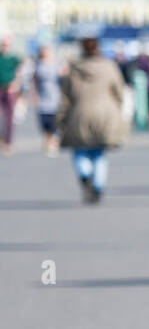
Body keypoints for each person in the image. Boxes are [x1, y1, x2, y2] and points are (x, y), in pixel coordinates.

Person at [56, 37, 127, 204]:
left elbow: (66, 97)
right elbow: (119, 92)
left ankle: (85, 175)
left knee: (80, 150)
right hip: (105, 115)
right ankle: (98, 186)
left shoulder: (74, 70)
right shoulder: (110, 67)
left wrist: (60, 119)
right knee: (99, 153)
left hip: (79, 114)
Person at [32, 43, 64, 156]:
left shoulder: (56, 65)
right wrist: (35, 95)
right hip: (43, 97)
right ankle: (49, 141)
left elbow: (63, 79)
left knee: (54, 121)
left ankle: (53, 142)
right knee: (44, 121)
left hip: (55, 96)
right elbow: (35, 81)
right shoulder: (38, 65)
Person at [0, 35, 23, 156]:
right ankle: (2, 139)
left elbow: (20, 72)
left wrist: (16, 84)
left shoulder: (14, 58)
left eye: (7, 45)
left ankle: (8, 142)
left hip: (10, 89)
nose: (5, 47)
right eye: (3, 44)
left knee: (9, 118)